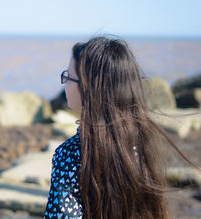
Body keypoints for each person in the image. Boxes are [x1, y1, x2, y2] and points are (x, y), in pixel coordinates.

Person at [44, 36, 200, 219]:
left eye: (68, 77)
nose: (64, 83)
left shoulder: (70, 154)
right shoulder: (142, 140)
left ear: (90, 89)